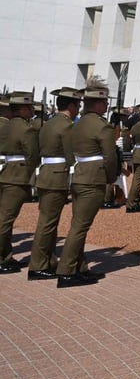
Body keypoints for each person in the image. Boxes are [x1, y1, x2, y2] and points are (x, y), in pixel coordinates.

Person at [56, 78, 118, 287]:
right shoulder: (103, 127)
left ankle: (78, 267)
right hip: (94, 178)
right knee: (80, 227)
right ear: (98, 103)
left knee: (78, 225)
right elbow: (110, 158)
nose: (107, 105)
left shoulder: (78, 123)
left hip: (80, 174)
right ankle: (66, 271)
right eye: (105, 102)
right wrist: (111, 178)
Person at [26, 87, 81, 279]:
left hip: (46, 174)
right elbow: (70, 155)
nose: (79, 107)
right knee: (47, 223)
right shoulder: (67, 126)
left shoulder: (48, 123)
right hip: (57, 175)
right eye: (78, 104)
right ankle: (37, 264)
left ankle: (48, 260)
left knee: (49, 222)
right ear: (71, 106)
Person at [0, 91, 41, 274]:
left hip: (4, 171)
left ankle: (6, 255)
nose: (33, 110)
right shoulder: (27, 129)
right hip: (17, 176)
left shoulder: (6, 126)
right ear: (23, 109)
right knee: (6, 220)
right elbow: (33, 156)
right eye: (30, 107)